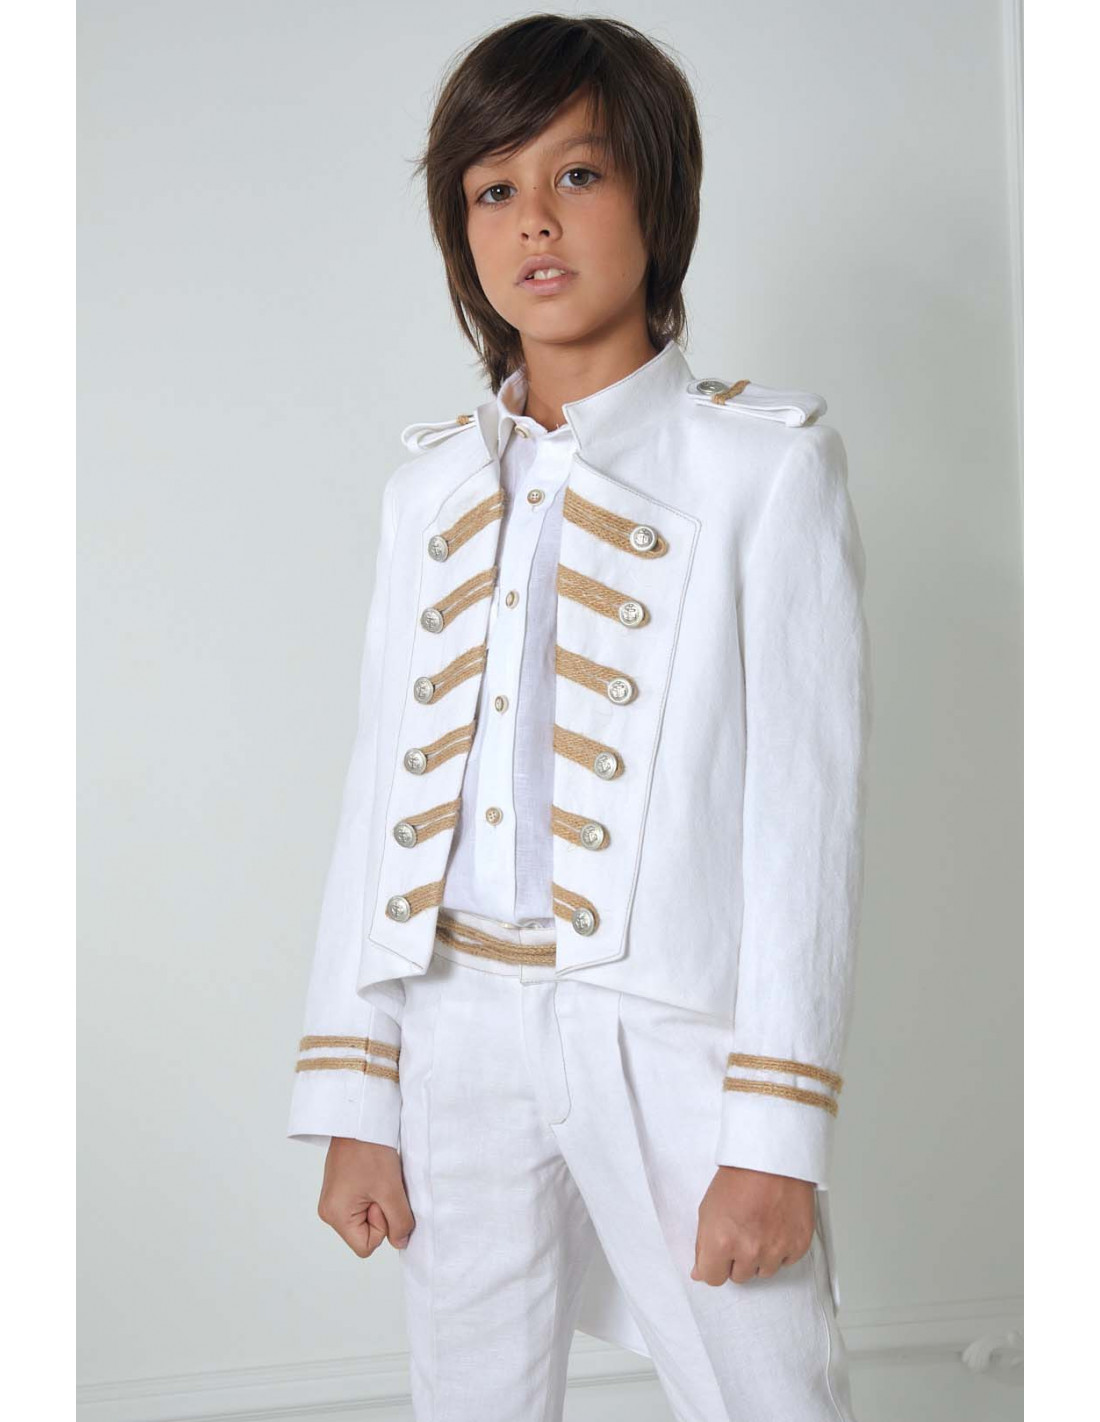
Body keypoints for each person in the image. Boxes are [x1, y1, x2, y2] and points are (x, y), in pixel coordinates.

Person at [287, 14, 872, 1421]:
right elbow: (379, 798)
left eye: (580, 175)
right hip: (453, 1027)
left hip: (669, 1028)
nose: (534, 222)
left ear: (660, 198)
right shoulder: (424, 492)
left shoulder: (763, 471)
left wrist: (777, 1132)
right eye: (494, 188)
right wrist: (357, 1094)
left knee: (767, 1392)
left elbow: (805, 822)